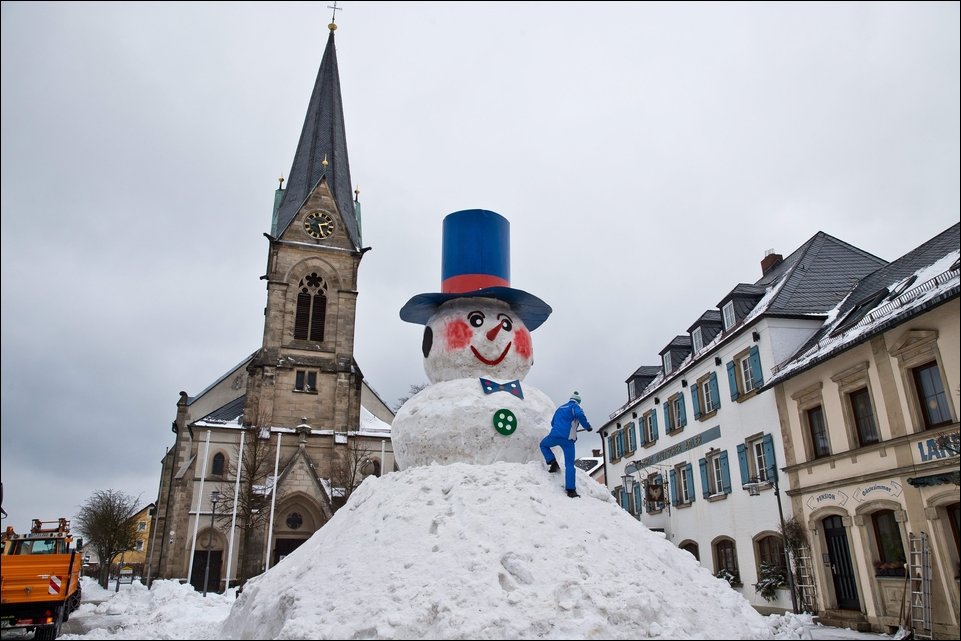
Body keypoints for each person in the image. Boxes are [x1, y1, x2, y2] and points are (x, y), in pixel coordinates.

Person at [540, 391, 592, 498]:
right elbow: (580, 415)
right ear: (578, 401)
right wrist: (587, 426)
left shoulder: (560, 408)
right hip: (568, 440)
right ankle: (571, 490)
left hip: (554, 436)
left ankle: (553, 462)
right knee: (569, 464)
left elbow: (552, 423)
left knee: (543, 445)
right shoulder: (574, 407)